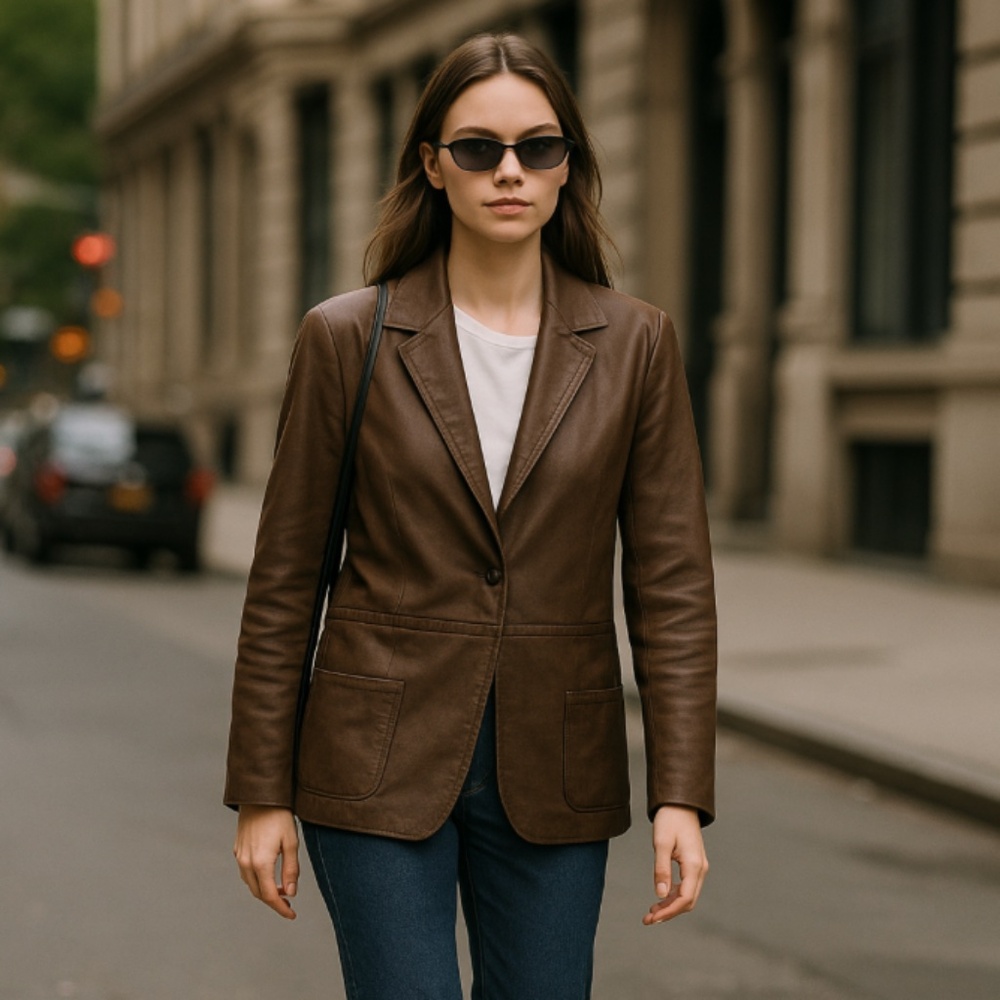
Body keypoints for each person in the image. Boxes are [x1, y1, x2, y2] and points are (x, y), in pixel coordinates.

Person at [225, 31, 717, 1000]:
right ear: (431, 163)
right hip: (372, 762)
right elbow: (285, 579)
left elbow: (671, 586)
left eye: (538, 148)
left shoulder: (635, 345)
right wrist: (261, 790)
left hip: (559, 768)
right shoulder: (346, 337)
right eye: (477, 148)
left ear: (567, 167)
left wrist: (681, 793)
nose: (508, 172)